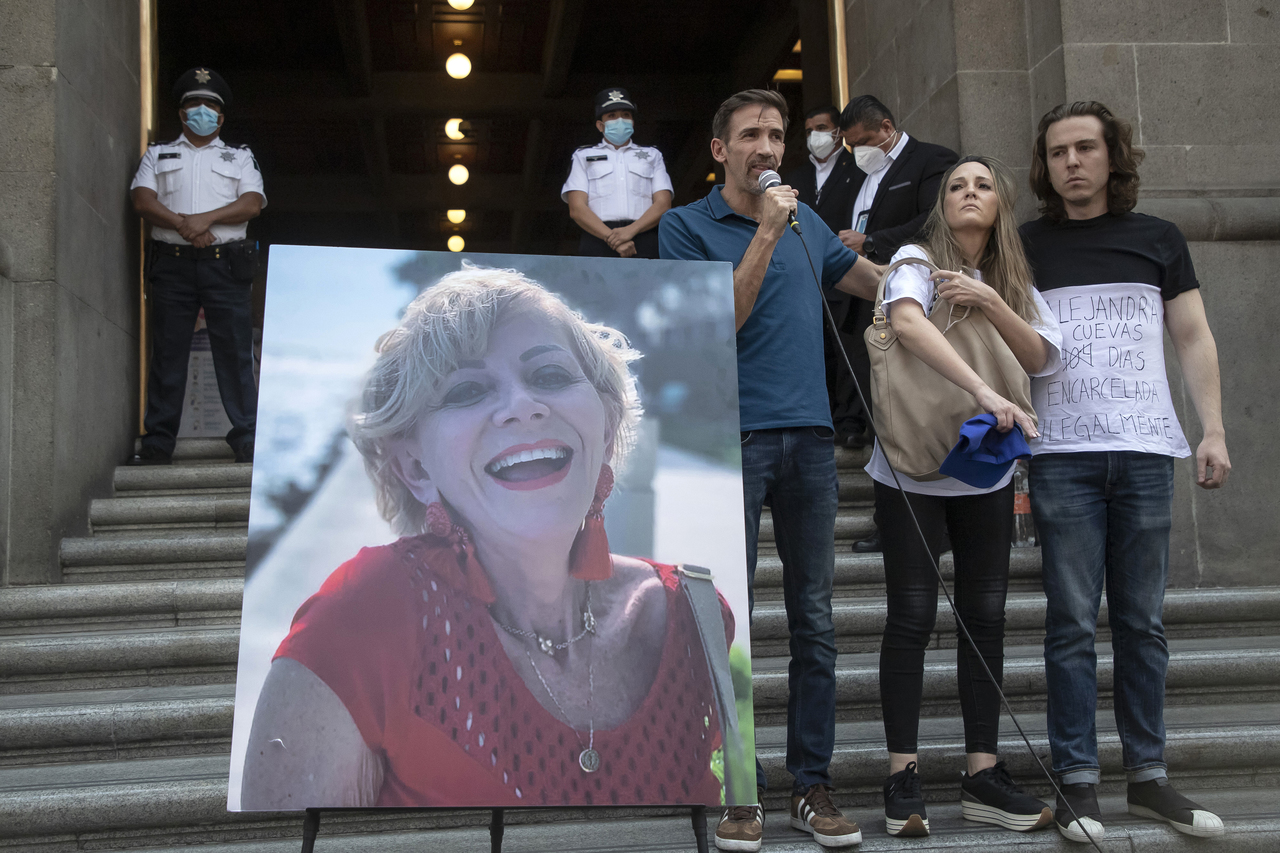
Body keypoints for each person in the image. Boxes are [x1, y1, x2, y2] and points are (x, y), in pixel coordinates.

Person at [240, 266, 741, 809]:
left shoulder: (694, 617)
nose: (523, 405)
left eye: (550, 375)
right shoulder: (356, 623)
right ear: (415, 468)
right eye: (468, 389)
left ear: (607, 424)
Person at [660, 88, 883, 852]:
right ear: (719, 149)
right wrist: (764, 231)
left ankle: (812, 784)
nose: (768, 146)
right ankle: (740, 787)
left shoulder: (804, 221)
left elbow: (865, 279)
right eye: (752, 134)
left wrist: (935, 283)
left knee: (814, 620)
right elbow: (718, 322)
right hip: (728, 442)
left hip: (811, 441)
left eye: (777, 134)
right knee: (729, 623)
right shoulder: (684, 227)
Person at [1022, 101, 1231, 842]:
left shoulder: (1158, 238)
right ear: (1045, 166)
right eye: (1058, 152)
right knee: (1071, 623)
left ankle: (1148, 776)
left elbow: (1193, 335)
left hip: (1145, 451)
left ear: (1113, 155)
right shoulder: (1026, 244)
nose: (1072, 162)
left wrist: (1213, 429)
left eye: (1085, 147)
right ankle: (1077, 782)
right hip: (1060, 457)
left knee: (1142, 621)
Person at [865, 156, 1062, 838]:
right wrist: (983, 391)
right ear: (941, 204)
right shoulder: (916, 260)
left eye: (982, 185)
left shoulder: (1013, 281)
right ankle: (902, 775)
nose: (969, 193)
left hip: (984, 469)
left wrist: (992, 301)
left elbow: (1041, 357)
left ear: (1001, 204)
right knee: (911, 614)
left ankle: (983, 773)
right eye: (956, 186)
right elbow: (907, 322)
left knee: (986, 615)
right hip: (910, 469)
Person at [837, 96, 959, 555]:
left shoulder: (931, 160)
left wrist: (870, 240)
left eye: (864, 141)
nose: (858, 152)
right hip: (868, 306)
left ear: (887, 128)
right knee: (881, 416)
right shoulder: (857, 175)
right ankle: (889, 520)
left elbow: (935, 219)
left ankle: (939, 521)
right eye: (851, 146)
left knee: (919, 413)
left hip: (917, 301)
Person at [129, 67, 264, 465]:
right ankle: (158, 442)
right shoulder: (157, 154)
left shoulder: (240, 156)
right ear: (181, 112)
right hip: (172, 266)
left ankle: (247, 437)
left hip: (225, 266)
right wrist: (184, 226)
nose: (201, 111)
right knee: (167, 354)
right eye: (193, 104)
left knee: (234, 352)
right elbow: (142, 200)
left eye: (209, 106)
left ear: (220, 116)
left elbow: (252, 204)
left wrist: (204, 220)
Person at [561, 88, 673, 260]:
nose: (620, 120)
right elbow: (577, 208)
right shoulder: (583, 156)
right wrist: (613, 238)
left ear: (632, 122)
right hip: (597, 238)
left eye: (626, 115)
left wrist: (630, 231)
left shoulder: (652, 155)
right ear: (600, 125)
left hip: (643, 237)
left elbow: (663, 203)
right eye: (612, 115)